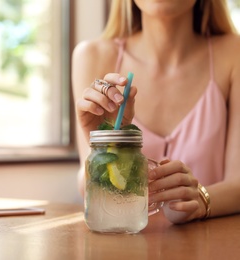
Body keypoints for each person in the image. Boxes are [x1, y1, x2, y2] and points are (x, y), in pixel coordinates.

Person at [72, 0, 240, 224]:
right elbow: (88, 190)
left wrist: (201, 199)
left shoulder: (233, 53)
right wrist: (104, 147)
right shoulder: (92, 56)